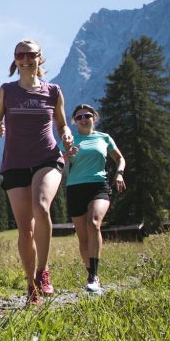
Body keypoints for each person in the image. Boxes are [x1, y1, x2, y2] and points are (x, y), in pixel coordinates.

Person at [0, 40, 74, 306]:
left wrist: (68, 136)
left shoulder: (53, 91)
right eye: (20, 55)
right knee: (25, 230)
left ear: (40, 58)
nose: (25, 59)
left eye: (31, 54)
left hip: (46, 157)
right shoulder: (6, 91)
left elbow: (62, 125)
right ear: (15, 59)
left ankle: (43, 272)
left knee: (42, 205)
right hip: (14, 162)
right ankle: (31, 286)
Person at [65, 103, 126, 293]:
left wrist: (120, 173)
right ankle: (91, 276)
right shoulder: (69, 140)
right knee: (83, 239)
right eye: (79, 117)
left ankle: (94, 275)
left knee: (94, 224)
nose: (83, 119)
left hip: (99, 186)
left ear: (94, 118)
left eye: (87, 115)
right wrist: (66, 155)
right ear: (74, 121)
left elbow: (119, 158)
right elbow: (57, 159)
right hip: (74, 189)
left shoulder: (104, 138)